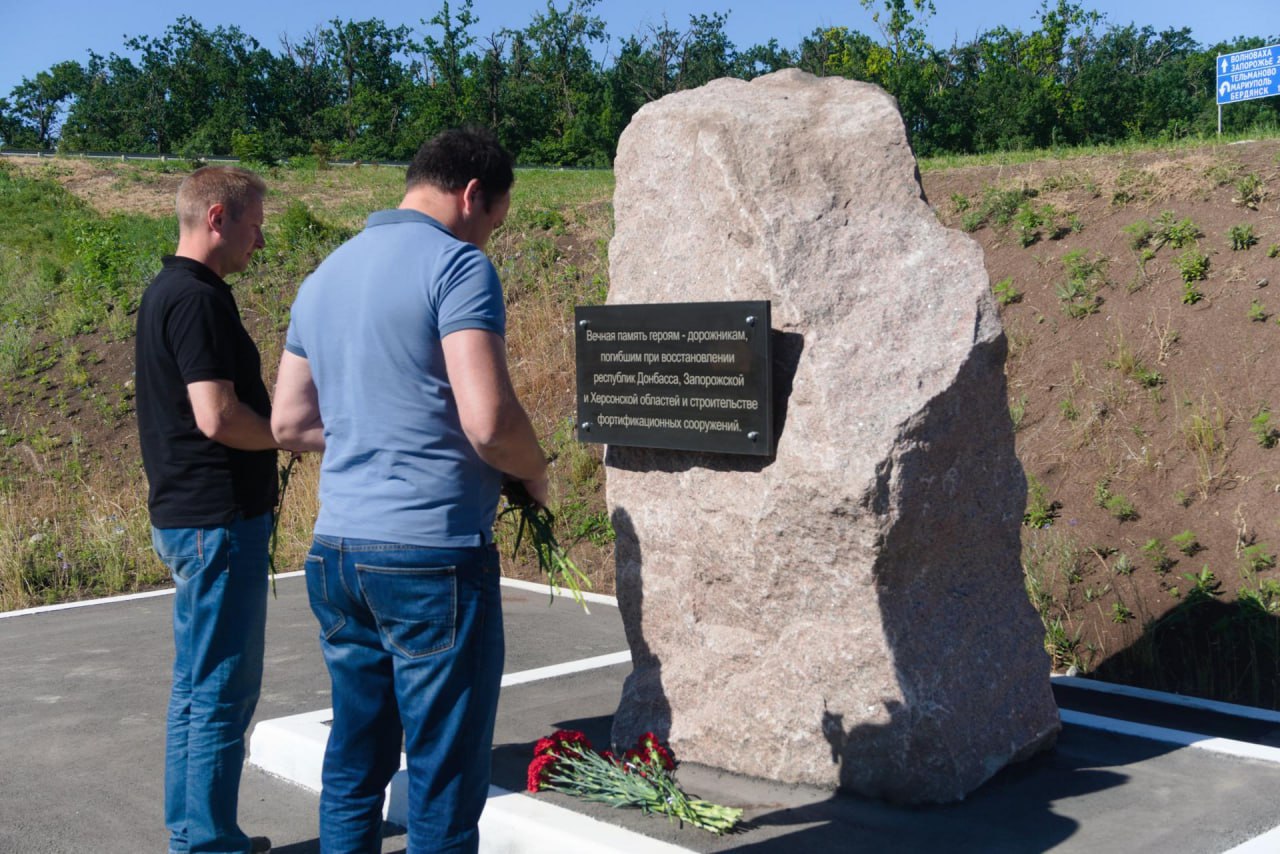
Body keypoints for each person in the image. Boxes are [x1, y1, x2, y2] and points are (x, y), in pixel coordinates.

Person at [271, 126, 548, 854]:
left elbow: (290, 421)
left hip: (336, 552)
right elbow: (488, 422)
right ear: (471, 195)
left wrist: (376, 425)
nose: (489, 237)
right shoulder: (457, 269)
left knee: (356, 759)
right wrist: (535, 469)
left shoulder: (324, 275)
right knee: (442, 777)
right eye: (494, 219)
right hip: (430, 555)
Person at [136, 165, 281, 854]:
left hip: (191, 519)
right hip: (217, 522)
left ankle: (196, 834)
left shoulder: (168, 291)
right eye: (255, 224)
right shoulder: (196, 298)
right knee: (221, 689)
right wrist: (293, 431)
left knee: (197, 688)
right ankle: (207, 845)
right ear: (218, 216)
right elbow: (218, 416)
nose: (261, 240)